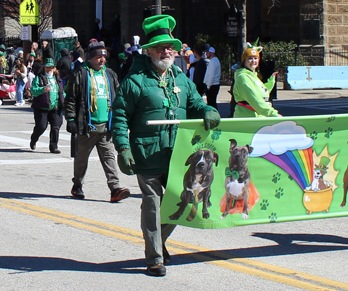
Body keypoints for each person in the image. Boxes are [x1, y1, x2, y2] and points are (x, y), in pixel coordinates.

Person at [111, 15, 220, 276]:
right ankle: (154, 259)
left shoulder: (180, 79)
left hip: (178, 154)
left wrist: (208, 110)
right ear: (148, 51)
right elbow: (121, 115)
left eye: (170, 47)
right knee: (151, 204)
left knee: (182, 202)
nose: (167, 52)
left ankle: (158, 242)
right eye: (160, 47)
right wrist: (123, 148)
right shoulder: (134, 81)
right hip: (147, 154)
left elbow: (195, 104)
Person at [64, 41, 130, 202]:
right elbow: (71, 98)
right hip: (87, 126)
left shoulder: (110, 74)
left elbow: (118, 97)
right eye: (98, 57)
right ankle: (77, 184)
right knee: (81, 159)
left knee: (109, 157)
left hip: (106, 127)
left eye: (104, 57)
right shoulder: (81, 74)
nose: (102, 60)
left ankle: (115, 188)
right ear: (90, 58)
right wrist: (71, 118)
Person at [232, 42, 280, 118]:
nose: (253, 61)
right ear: (244, 61)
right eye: (250, 58)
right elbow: (254, 98)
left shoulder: (253, 75)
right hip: (248, 119)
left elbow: (262, 93)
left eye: (255, 58)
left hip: (258, 117)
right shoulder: (243, 77)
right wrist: (273, 113)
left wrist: (271, 82)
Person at [29, 58, 64, 153]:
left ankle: (54, 146)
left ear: (54, 68)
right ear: (44, 68)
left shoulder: (57, 78)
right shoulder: (39, 77)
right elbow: (33, 91)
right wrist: (43, 90)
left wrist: (65, 98)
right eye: (47, 67)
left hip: (55, 107)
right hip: (42, 107)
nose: (49, 69)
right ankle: (34, 139)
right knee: (41, 126)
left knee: (56, 126)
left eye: (51, 67)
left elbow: (61, 92)